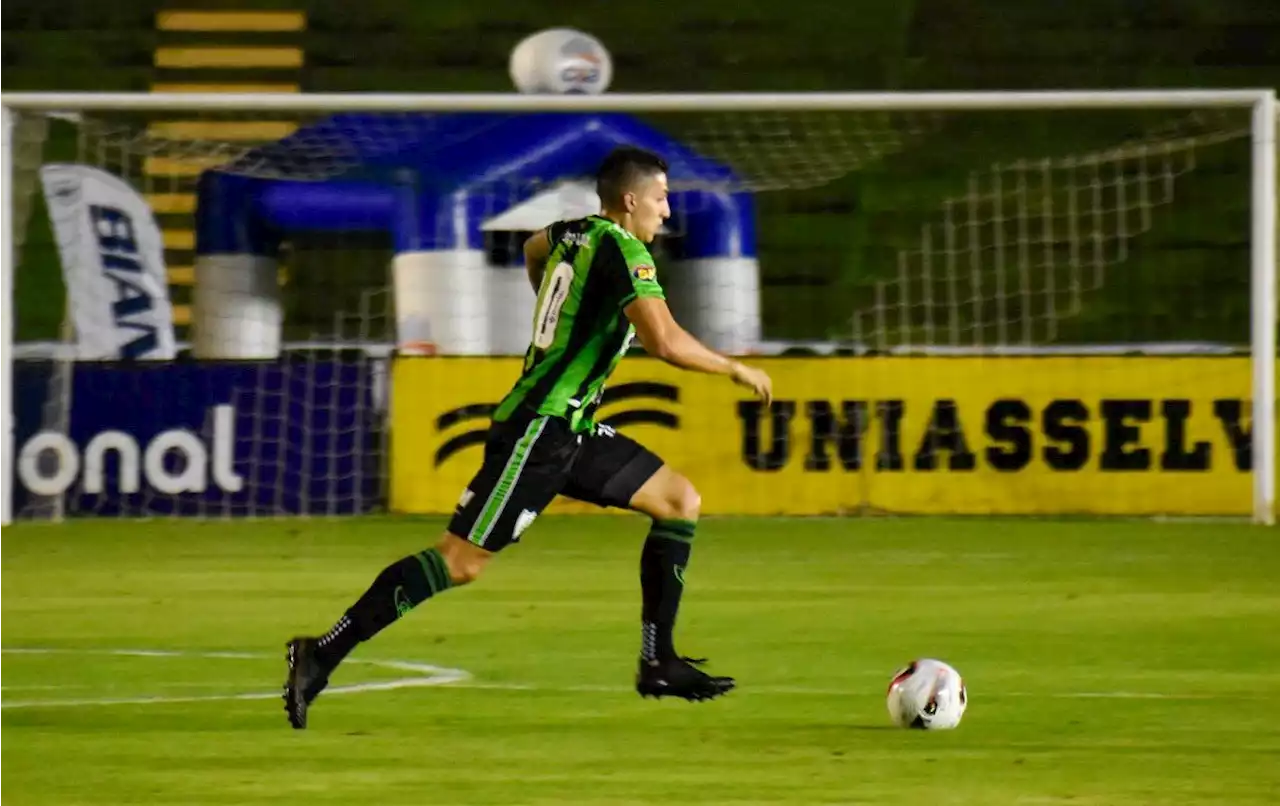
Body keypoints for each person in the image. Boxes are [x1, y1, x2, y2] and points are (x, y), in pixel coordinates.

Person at [283, 145, 773, 729]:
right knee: (459, 562)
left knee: (677, 500)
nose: (667, 211)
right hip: (539, 430)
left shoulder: (575, 232)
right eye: (663, 198)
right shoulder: (625, 250)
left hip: (574, 426)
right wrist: (734, 367)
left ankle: (658, 658)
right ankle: (322, 651)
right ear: (632, 199)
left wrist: (561, 311)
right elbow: (664, 342)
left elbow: (532, 248)